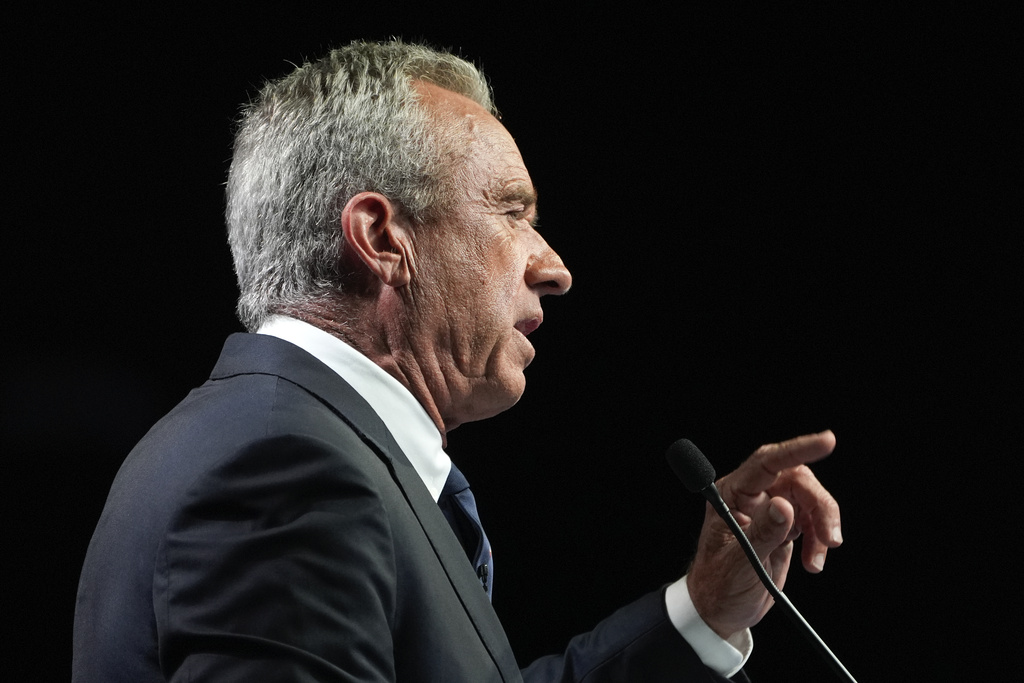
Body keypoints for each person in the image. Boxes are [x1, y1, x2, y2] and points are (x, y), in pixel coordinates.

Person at [72, 40, 843, 682]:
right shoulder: (285, 472)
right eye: (511, 211)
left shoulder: (270, 444)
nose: (554, 266)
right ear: (382, 239)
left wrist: (702, 609)